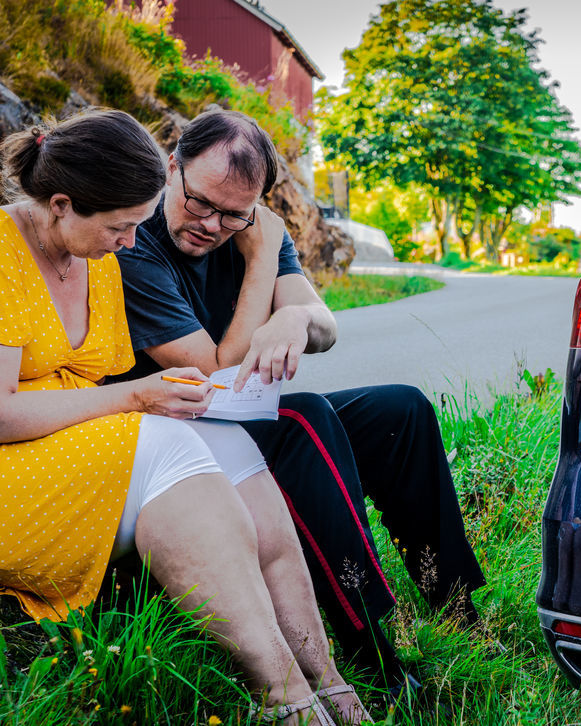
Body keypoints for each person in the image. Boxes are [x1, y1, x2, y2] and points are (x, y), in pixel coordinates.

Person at [0, 109, 368, 726]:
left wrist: (168, 401)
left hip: (44, 445)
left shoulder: (97, 258)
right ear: (61, 204)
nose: (132, 242)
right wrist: (139, 399)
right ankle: (287, 699)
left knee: (225, 440)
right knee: (166, 444)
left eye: (139, 224)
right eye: (121, 226)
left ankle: (327, 680)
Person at [114, 108, 486, 689]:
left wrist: (295, 320)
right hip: (173, 437)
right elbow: (216, 372)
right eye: (200, 203)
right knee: (305, 416)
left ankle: (457, 606)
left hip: (241, 421)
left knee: (403, 409)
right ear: (172, 168)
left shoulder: (253, 224)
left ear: (256, 203)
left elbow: (324, 324)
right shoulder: (133, 244)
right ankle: (369, 648)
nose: (212, 225)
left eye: (235, 214)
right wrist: (261, 262)